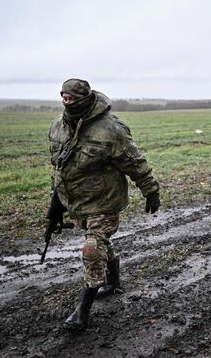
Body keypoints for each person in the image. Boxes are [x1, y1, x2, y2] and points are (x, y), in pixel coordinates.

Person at [46, 78, 160, 329]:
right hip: (79, 201)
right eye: (63, 97)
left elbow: (134, 161)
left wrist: (150, 190)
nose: (67, 101)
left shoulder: (110, 129)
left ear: (85, 98)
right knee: (100, 242)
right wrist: (56, 204)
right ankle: (114, 282)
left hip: (105, 200)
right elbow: (59, 169)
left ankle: (82, 311)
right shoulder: (57, 127)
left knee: (92, 248)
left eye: (72, 98)